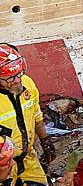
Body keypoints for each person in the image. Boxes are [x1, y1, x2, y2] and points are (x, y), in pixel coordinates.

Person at [0, 43, 55, 186]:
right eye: (10, 78)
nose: (17, 80)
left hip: (28, 158)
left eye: (19, 74)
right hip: (3, 166)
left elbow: (36, 114)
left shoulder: (27, 83)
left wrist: (45, 140)